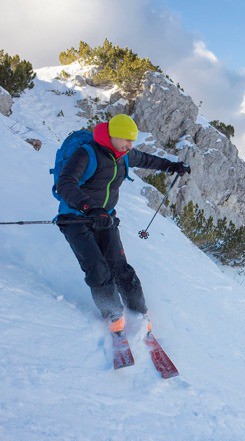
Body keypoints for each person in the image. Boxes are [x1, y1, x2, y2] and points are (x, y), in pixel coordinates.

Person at [55, 114, 190, 334]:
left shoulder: (124, 155)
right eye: (126, 140)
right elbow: (65, 184)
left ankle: (138, 311)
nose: (130, 145)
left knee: (120, 267)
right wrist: (89, 207)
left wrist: (172, 166)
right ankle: (113, 315)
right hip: (75, 219)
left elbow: (148, 160)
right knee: (97, 269)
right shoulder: (86, 153)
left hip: (105, 219)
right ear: (112, 136)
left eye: (132, 141)